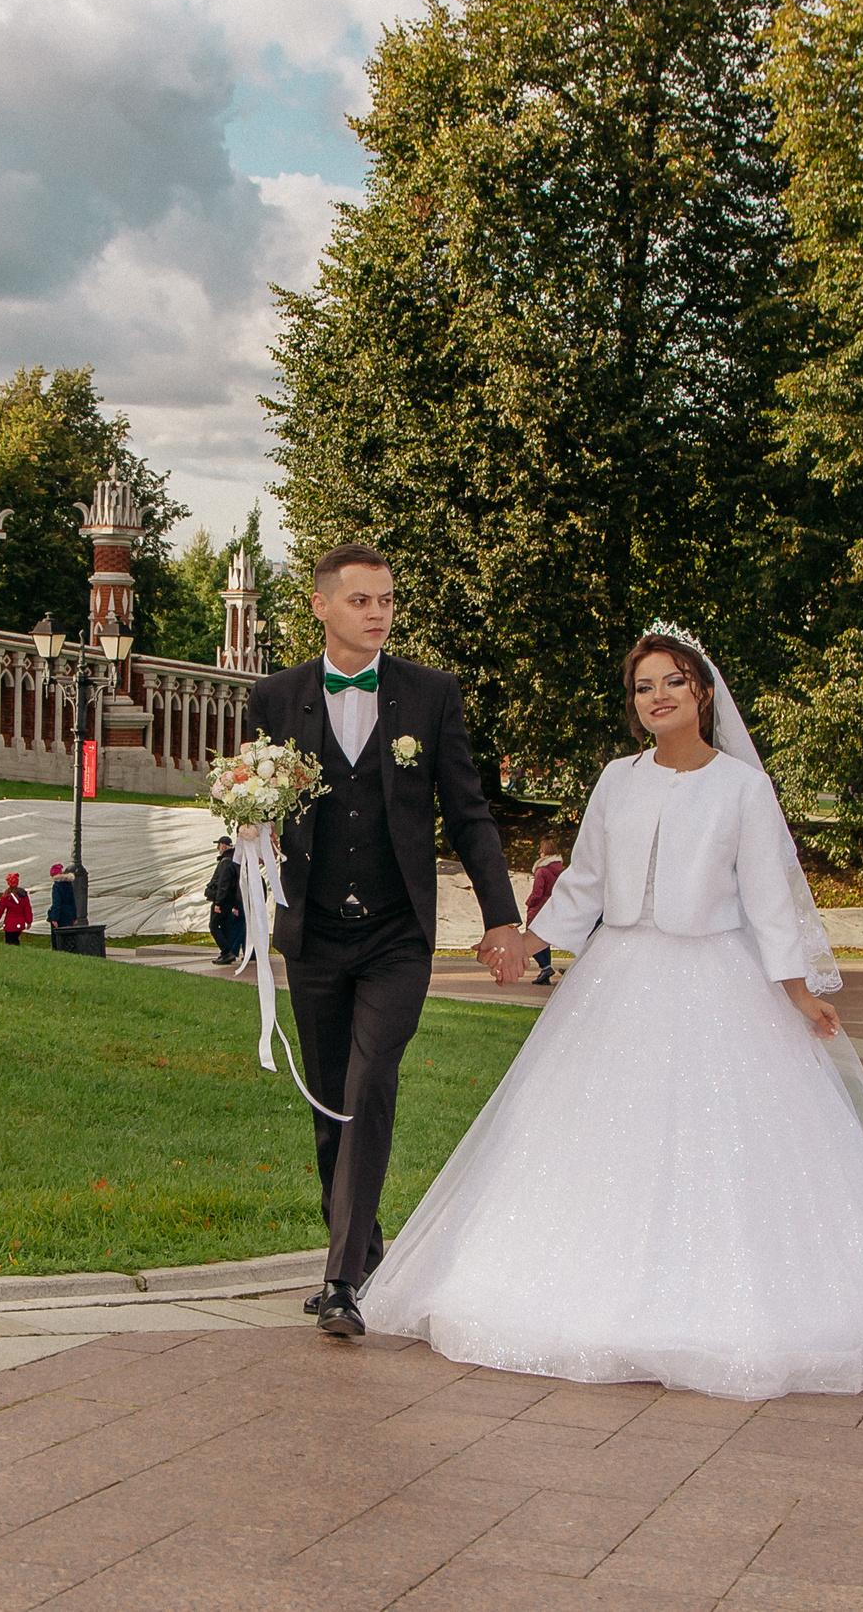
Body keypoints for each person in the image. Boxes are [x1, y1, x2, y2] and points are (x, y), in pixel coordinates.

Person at [360, 626, 863, 1400]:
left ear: (702, 693)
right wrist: (527, 940)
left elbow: (768, 894)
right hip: (619, 974)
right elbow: (585, 880)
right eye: (643, 686)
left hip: (717, 977)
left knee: (715, 1140)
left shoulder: (740, 787)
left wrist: (797, 990)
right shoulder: (617, 779)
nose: (657, 697)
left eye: (673, 682)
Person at [242, 542, 524, 1340]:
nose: (378, 613)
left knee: (370, 1083)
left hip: (399, 932)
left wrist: (500, 916)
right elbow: (250, 807)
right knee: (329, 1100)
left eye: (388, 600)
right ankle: (361, 1248)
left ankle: (338, 1281)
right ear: (321, 606)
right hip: (314, 929)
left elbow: (468, 811)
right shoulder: (274, 697)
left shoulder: (430, 696)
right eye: (361, 599)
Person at [524, 836, 565, 984]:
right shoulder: (561, 871)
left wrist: (530, 902)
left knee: (531, 937)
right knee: (544, 940)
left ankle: (545, 966)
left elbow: (537, 892)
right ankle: (545, 972)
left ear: (544, 852)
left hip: (539, 906)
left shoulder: (542, 871)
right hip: (552, 906)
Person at [205, 835, 245, 965]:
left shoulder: (226, 862)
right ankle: (229, 953)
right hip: (229, 901)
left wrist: (218, 903)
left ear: (223, 846)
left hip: (223, 901)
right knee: (226, 927)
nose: (218, 848)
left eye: (219, 845)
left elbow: (223, 884)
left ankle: (226, 951)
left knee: (214, 926)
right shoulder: (233, 860)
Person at [0, 873, 33, 945]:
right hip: (20, 922)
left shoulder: (5, 896)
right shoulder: (23, 895)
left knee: (9, 941)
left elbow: (0, 910)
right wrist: (29, 921)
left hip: (9, 923)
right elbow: (27, 909)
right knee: (15, 939)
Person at [44, 862, 78, 938]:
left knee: (58, 938)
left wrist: (54, 918)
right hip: (69, 913)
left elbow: (56, 903)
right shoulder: (69, 885)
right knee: (68, 937)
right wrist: (74, 916)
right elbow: (73, 901)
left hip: (60, 915)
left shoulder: (57, 886)